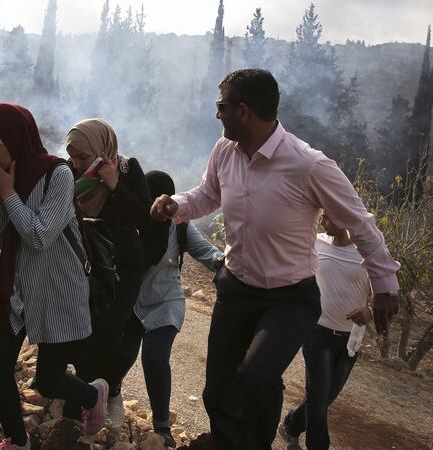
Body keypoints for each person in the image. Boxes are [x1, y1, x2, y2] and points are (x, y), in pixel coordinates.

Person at [150, 69, 401, 450]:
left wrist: (384, 285)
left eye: (222, 106)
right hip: (237, 290)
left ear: (244, 111)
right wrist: (177, 205)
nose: (217, 114)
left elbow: (360, 224)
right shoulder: (224, 152)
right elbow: (207, 194)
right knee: (217, 391)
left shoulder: (308, 165)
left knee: (256, 376)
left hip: (290, 297)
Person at [0, 103, 108, 450]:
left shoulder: (57, 175)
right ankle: (18, 441)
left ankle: (93, 395)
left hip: (57, 294)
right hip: (18, 291)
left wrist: (7, 193)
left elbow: (39, 236)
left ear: (14, 141)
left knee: (47, 382)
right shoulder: (9, 176)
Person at [60, 118, 151, 429]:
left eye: (83, 157)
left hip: (124, 266)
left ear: (102, 149)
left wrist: (114, 185)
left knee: (112, 332)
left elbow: (145, 216)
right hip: (87, 264)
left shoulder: (127, 170)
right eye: (72, 155)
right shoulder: (69, 173)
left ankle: (110, 392)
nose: (76, 163)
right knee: (85, 331)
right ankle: (80, 405)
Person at [122, 170, 225, 447]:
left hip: (166, 301)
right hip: (130, 301)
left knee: (154, 358)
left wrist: (224, 263)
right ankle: (109, 401)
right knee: (120, 357)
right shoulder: (130, 221)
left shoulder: (179, 224)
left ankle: (162, 427)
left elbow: (206, 251)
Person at [279, 212, 372, 450]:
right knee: (319, 398)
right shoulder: (315, 241)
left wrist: (369, 310)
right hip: (317, 331)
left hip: (350, 338)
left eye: (329, 217)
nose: (323, 222)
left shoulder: (368, 251)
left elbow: (388, 293)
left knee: (324, 399)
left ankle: (292, 424)